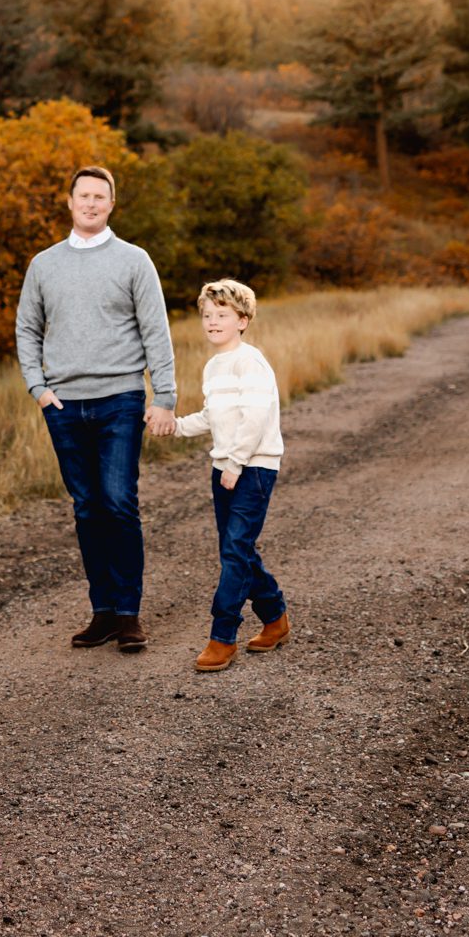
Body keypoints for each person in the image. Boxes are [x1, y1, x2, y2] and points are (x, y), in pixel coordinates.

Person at [13, 164, 177, 653]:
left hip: (120, 399)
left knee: (118, 502)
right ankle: (102, 612)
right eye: (83, 195)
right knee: (87, 508)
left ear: (111, 204)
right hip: (63, 405)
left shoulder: (133, 260)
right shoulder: (44, 264)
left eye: (99, 197)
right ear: (69, 202)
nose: (90, 203)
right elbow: (27, 328)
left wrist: (163, 396)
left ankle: (128, 614)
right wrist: (38, 388)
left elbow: (156, 331)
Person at [173, 278, 291, 672]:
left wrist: (236, 462)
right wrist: (176, 426)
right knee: (237, 550)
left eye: (222, 315)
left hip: (252, 469)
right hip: (225, 467)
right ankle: (275, 617)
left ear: (242, 320)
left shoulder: (249, 361)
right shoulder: (214, 365)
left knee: (234, 551)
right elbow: (214, 416)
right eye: (207, 315)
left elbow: (255, 418)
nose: (212, 321)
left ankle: (222, 636)